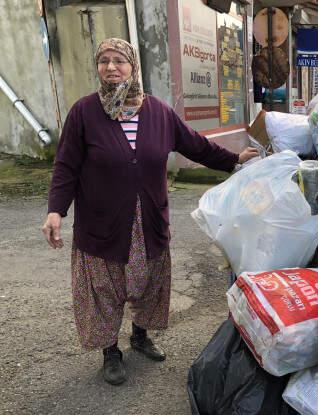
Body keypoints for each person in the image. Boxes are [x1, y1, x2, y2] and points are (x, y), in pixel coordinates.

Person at [41, 38, 258, 385]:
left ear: (133, 66)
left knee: (149, 282)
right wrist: (56, 211)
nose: (111, 68)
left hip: (149, 220)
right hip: (101, 223)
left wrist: (233, 159)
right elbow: (66, 165)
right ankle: (110, 352)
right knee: (105, 289)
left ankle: (140, 336)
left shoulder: (158, 112)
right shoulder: (84, 112)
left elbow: (194, 145)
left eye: (119, 61)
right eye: (104, 61)